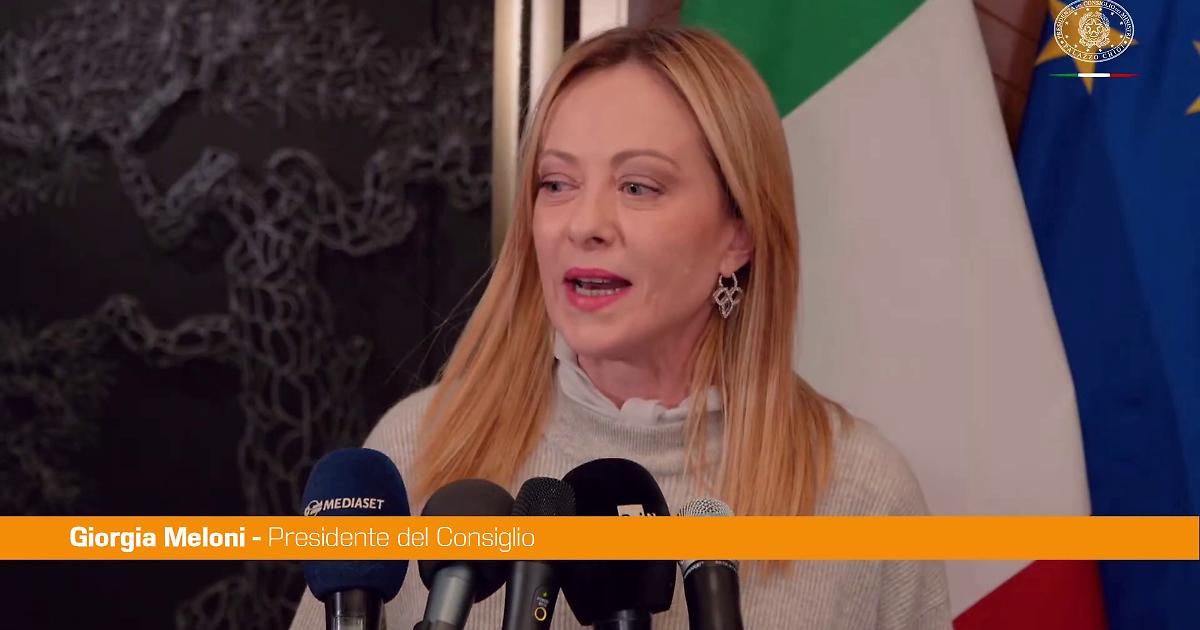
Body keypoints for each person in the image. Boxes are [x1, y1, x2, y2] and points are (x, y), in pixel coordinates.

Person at [289, 26, 950, 630]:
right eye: (557, 183)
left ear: (738, 235)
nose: (584, 224)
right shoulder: (417, 448)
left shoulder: (862, 492)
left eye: (638, 187)